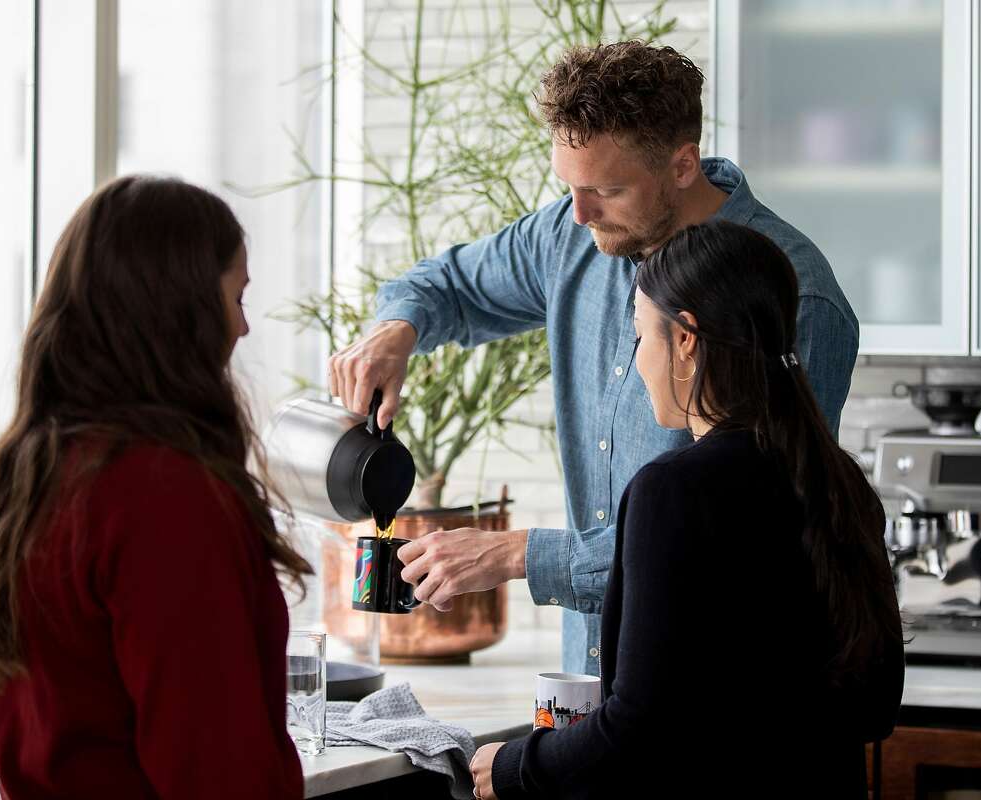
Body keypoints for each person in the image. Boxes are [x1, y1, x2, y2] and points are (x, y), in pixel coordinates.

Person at [328, 41, 860, 678]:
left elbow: (753, 536)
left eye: (607, 189)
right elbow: (445, 287)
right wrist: (397, 329)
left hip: (718, 698)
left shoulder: (798, 300)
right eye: (570, 187)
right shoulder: (572, 234)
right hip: (594, 696)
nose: (580, 214)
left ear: (683, 164)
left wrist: (520, 555)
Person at [469, 219, 904, 799]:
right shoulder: (838, 479)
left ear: (685, 340)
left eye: (640, 336)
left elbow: (637, 731)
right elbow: (874, 705)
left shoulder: (672, 492)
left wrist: (511, 766)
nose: (639, 363)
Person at [0, 175, 312, 799]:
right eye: (237, 297)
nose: (244, 328)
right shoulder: (164, 496)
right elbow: (217, 771)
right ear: (182, 313)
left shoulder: (15, 474)